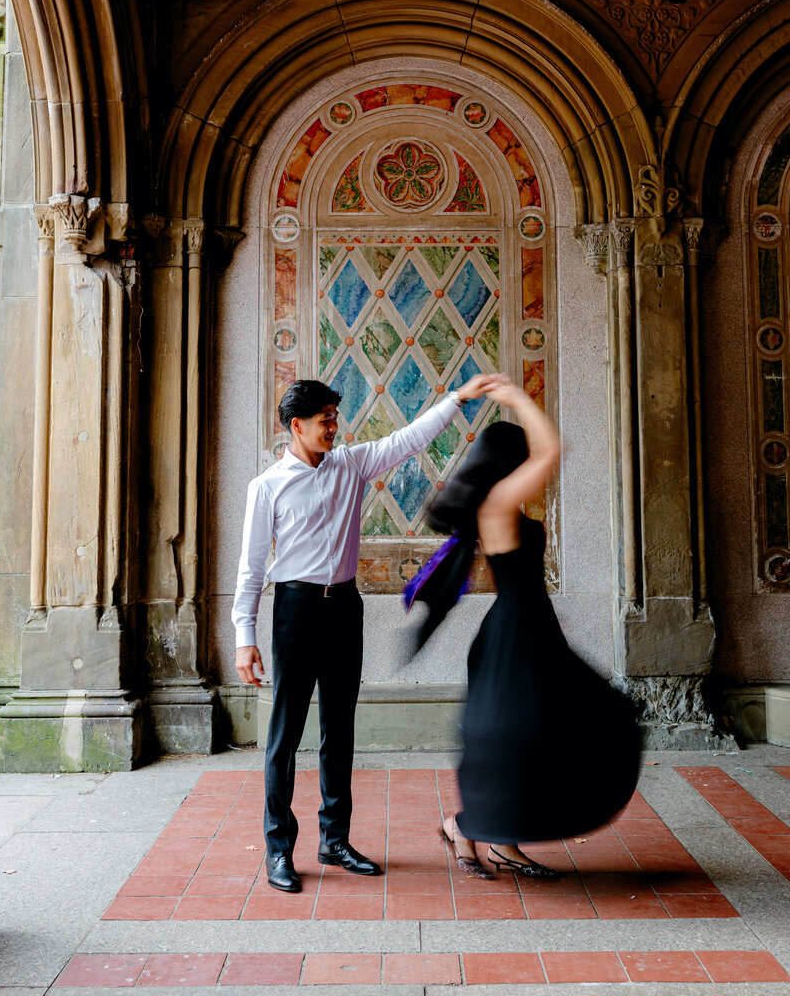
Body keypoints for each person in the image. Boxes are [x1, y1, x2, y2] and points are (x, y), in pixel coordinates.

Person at [233, 373, 502, 893]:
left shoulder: (352, 464)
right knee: (284, 737)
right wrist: (244, 635)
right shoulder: (267, 486)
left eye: (336, 416)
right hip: (293, 609)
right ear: (297, 426)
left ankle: (334, 841)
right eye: (325, 419)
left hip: (343, 609)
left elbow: (409, 439)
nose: (336, 425)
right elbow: (250, 568)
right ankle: (278, 850)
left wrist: (454, 398)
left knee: (340, 730)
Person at [406, 382, 641, 880]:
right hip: (516, 628)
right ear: (510, 462)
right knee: (521, 734)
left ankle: (488, 837)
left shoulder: (500, 505)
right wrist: (516, 396)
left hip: (526, 624)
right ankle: (465, 826)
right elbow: (553, 448)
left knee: (536, 732)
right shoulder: (497, 502)